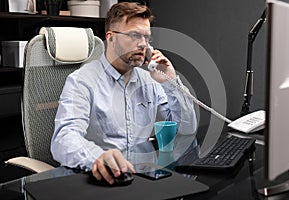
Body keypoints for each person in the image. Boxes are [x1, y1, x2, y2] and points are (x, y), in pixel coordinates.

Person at [51, 2, 197, 185]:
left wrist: (171, 83)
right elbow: (63, 140)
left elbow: (187, 129)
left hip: (143, 177)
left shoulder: (150, 80)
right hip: (102, 180)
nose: (143, 44)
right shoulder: (82, 81)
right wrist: (98, 157)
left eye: (147, 38)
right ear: (110, 38)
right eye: (135, 35)